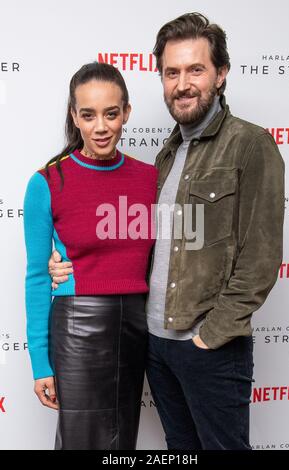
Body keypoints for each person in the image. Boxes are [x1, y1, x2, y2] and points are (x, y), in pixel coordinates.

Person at [49, 13, 285, 450]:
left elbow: (261, 259)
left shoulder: (250, 145)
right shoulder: (166, 155)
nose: (183, 83)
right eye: (171, 72)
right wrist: (66, 260)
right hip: (155, 345)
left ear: (221, 74)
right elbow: (139, 241)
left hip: (209, 349)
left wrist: (207, 338)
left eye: (196, 69)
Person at [23, 62, 158, 450]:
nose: (101, 126)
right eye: (89, 114)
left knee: (122, 443)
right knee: (82, 443)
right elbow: (36, 277)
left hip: (136, 323)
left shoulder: (150, 179)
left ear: (126, 113)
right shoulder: (47, 182)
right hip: (77, 326)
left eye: (111, 113)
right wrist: (40, 363)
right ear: (74, 117)